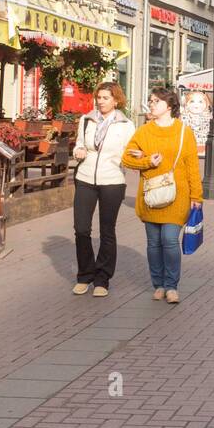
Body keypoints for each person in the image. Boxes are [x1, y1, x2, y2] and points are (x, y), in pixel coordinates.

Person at [121, 88, 202, 305]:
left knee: (169, 239)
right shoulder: (144, 132)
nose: (152, 104)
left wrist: (197, 195)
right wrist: (147, 162)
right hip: (151, 195)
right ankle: (158, 284)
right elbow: (126, 158)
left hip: (178, 195)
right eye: (151, 100)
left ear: (169, 106)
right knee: (153, 243)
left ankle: (172, 286)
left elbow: (192, 166)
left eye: (156, 101)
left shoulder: (185, 132)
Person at [71, 82, 134, 297]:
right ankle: (84, 275)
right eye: (99, 97)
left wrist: (138, 159)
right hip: (85, 177)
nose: (101, 101)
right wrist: (78, 150)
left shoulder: (126, 125)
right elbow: (79, 143)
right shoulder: (86, 120)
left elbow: (131, 151)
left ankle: (102, 278)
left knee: (107, 230)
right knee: (81, 228)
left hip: (112, 180)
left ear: (116, 100)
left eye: (105, 98)